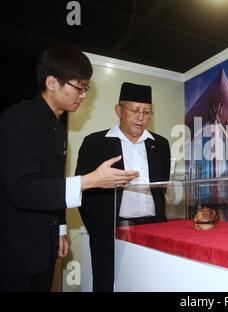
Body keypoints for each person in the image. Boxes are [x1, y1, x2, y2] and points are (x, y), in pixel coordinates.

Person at [0, 46, 140, 292]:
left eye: (86, 88)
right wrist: (90, 181)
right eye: (80, 87)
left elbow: (54, 182)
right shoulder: (18, 118)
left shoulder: (58, 127)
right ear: (52, 82)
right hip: (16, 248)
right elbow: (22, 189)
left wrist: (61, 230)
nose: (84, 95)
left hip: (46, 245)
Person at [75, 82, 171, 292]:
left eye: (146, 112)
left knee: (152, 282)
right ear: (119, 110)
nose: (141, 117)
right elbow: (80, 190)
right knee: (107, 282)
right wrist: (98, 226)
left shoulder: (161, 145)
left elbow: (162, 185)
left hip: (153, 227)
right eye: (135, 110)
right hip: (111, 229)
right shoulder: (95, 143)